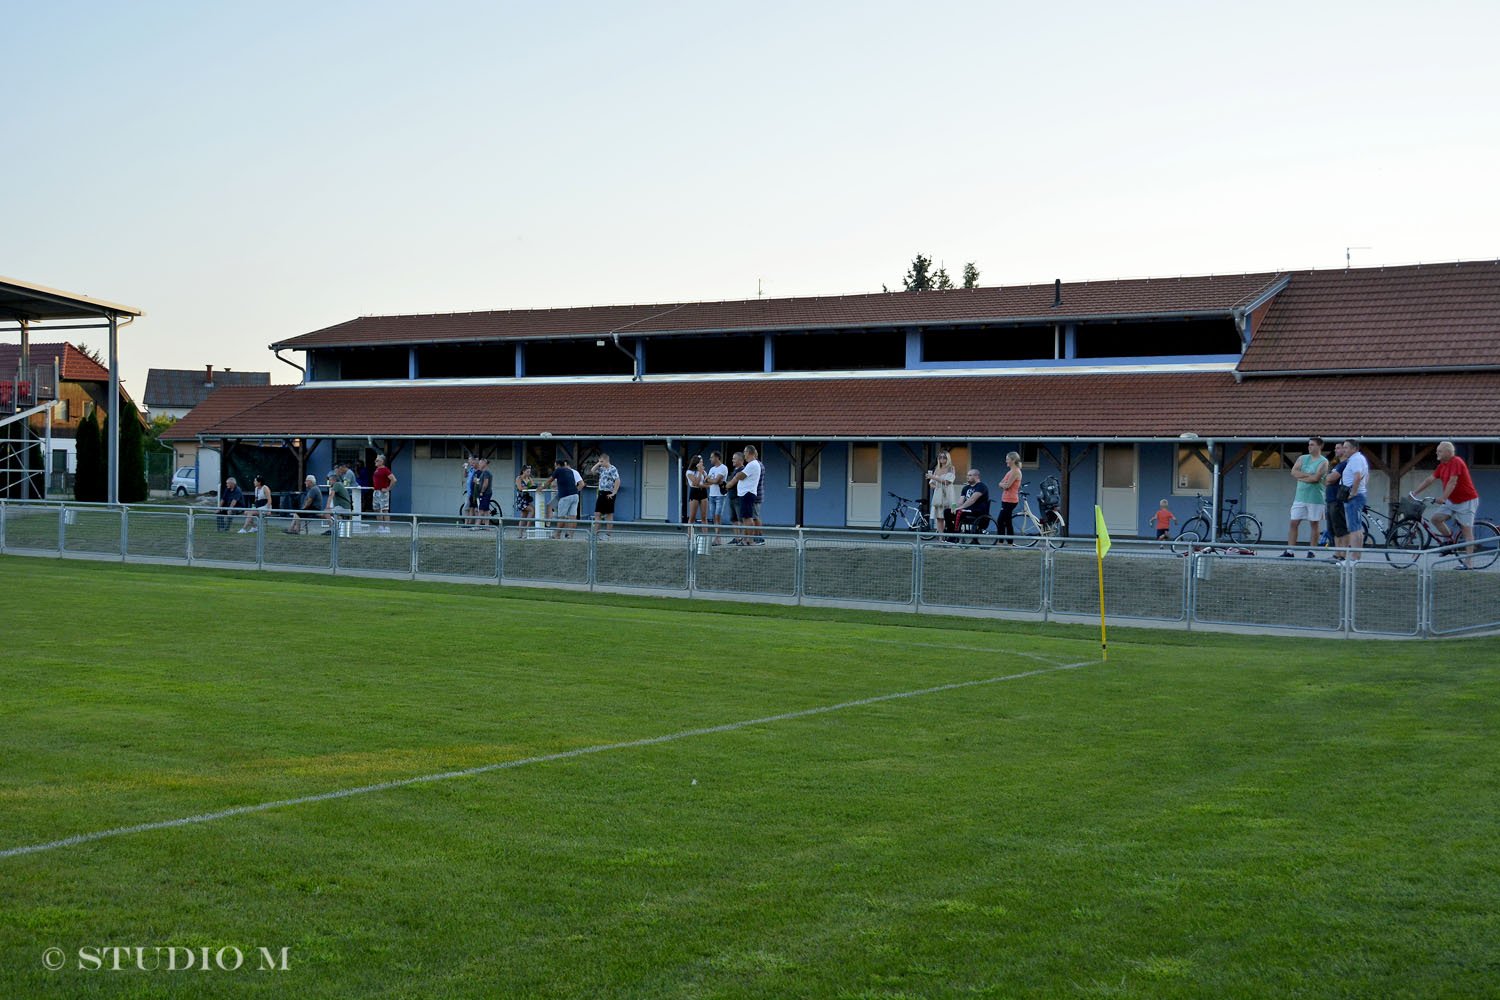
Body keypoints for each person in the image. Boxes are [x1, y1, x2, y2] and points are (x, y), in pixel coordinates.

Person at [1411, 441, 1482, 568]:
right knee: (1436, 519)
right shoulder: (1442, 465)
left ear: (1448, 452)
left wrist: (1443, 497)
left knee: (1466, 531)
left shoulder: (1457, 462)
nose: (1436, 453)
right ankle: (1450, 543)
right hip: (1452, 500)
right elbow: (1430, 479)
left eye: (1439, 451)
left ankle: (1468, 563)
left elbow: (1452, 482)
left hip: (1466, 501)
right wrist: (1415, 492)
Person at [1283, 436, 1330, 558]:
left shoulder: (1323, 462)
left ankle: (1312, 551)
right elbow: (1294, 472)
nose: (1309, 447)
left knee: (1314, 523)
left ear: (1320, 446)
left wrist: (1301, 477)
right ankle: (1290, 551)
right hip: (1300, 497)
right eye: (1309, 444)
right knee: (1293, 522)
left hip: (1315, 498)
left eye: (1312, 445)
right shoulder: (1302, 458)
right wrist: (1309, 476)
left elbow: (1316, 478)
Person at [725, 447, 763, 544]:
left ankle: (750, 540)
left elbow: (741, 476)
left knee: (748, 517)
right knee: (745, 518)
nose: (744, 455)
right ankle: (746, 539)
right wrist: (737, 476)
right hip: (744, 494)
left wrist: (737, 476)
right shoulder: (751, 464)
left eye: (745, 452)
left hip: (747, 493)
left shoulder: (752, 464)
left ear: (749, 452)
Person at [1339, 439, 1370, 560]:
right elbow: (1366, 475)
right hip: (1357, 495)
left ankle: (1354, 557)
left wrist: (1353, 492)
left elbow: (1358, 476)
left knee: (1354, 528)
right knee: (1357, 527)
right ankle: (1357, 556)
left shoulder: (1356, 459)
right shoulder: (1358, 459)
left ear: (1354, 449)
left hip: (1354, 498)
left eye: (1346, 447)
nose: (1344, 450)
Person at [1321, 441, 1349, 554]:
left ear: (1344, 450)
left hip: (1337, 500)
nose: (1335, 450)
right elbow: (1326, 480)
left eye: (1338, 448)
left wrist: (1329, 478)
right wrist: (1328, 479)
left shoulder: (1344, 464)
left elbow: (1331, 478)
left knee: (1340, 528)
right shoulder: (1336, 465)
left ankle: (1344, 554)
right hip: (1330, 499)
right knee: (1333, 529)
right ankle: (1337, 553)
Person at [545, 459, 581, 538]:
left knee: (561, 516)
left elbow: (549, 480)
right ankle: (571, 535)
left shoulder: (558, 470)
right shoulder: (570, 471)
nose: (555, 468)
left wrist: (542, 487)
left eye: (555, 466)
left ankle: (557, 534)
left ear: (558, 465)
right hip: (575, 495)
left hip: (565, 496)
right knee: (573, 516)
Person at [925, 451, 958, 538]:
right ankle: (941, 538)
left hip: (949, 494)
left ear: (948, 458)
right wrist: (935, 486)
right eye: (940, 457)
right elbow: (931, 483)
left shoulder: (951, 468)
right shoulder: (937, 469)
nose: (942, 459)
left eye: (944, 457)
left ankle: (950, 537)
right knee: (939, 518)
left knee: (948, 516)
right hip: (938, 495)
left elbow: (947, 482)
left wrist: (932, 477)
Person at [953, 468, 991, 539]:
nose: (967, 477)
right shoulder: (965, 488)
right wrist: (954, 507)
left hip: (977, 511)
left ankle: (955, 537)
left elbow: (972, 499)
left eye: (970, 475)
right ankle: (949, 534)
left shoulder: (981, 486)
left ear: (977, 477)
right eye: (967, 475)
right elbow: (960, 502)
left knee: (959, 511)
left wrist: (960, 508)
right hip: (967, 510)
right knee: (947, 512)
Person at [996, 452, 1022, 544]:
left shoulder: (1015, 471)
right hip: (1006, 499)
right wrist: (1003, 484)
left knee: (1000, 521)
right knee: (1007, 521)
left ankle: (1001, 542)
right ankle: (1009, 543)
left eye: (1007, 459)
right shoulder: (1010, 472)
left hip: (1010, 500)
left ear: (1013, 460)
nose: (1006, 461)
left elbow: (1007, 486)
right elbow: (1000, 484)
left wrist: (1003, 485)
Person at [593, 453, 621, 534]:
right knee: (597, 513)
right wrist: (598, 463)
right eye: (600, 461)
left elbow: (617, 480)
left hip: (608, 493)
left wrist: (614, 493)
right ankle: (595, 533)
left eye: (602, 461)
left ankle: (608, 534)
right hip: (601, 492)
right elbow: (593, 470)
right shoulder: (602, 468)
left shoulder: (612, 469)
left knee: (609, 514)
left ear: (607, 461)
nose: (600, 463)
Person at [706, 451, 730, 543]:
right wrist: (712, 480)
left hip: (720, 495)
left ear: (717, 458)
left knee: (717, 516)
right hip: (711, 495)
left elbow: (716, 480)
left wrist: (711, 480)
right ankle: (717, 536)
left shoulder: (723, 468)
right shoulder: (712, 469)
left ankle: (718, 537)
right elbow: (706, 480)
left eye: (711, 457)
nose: (710, 459)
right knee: (713, 517)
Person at [372, 454, 396, 533]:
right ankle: (380, 527)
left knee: (385, 510)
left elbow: (393, 479)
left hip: (382, 492)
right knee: (376, 509)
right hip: (376, 491)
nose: (375, 461)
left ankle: (387, 528)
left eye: (377, 460)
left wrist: (388, 489)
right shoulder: (377, 470)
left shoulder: (385, 470)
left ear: (381, 462)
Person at [322, 469, 352, 534]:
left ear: (334, 480)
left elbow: (331, 495)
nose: (329, 482)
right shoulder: (340, 484)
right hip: (344, 507)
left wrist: (327, 506)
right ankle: (337, 529)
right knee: (333, 514)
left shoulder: (336, 484)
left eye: (330, 480)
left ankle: (332, 530)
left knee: (325, 512)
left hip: (343, 508)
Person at [469, 458, 494, 530]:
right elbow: (481, 482)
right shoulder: (484, 472)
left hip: (485, 493)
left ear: (484, 463)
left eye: (480, 463)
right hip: (486, 493)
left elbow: (486, 483)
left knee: (481, 510)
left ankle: (477, 526)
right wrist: (477, 481)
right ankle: (487, 526)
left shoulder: (486, 472)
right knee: (486, 510)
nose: (479, 465)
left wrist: (481, 492)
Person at [514, 464, 537, 537]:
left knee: (523, 515)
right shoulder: (519, 478)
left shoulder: (529, 478)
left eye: (529, 472)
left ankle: (520, 534)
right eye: (527, 472)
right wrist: (528, 487)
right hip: (521, 499)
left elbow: (533, 485)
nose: (529, 473)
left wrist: (530, 486)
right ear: (523, 471)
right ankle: (528, 528)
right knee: (533, 510)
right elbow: (520, 488)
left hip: (526, 498)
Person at [685, 455, 707, 527]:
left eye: (702, 462)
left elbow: (706, 481)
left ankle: (705, 533)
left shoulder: (704, 472)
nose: (701, 464)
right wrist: (700, 472)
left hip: (703, 491)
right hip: (694, 491)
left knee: (704, 516)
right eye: (700, 462)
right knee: (692, 516)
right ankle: (690, 533)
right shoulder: (689, 472)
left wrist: (707, 478)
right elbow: (696, 483)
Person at [462, 455, 477, 526]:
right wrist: (465, 468)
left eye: (469, 460)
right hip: (469, 491)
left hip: (473, 491)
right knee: (467, 508)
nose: (468, 461)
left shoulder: (475, 468)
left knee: (471, 508)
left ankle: (469, 523)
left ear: (473, 460)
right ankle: (467, 523)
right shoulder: (471, 468)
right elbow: (465, 475)